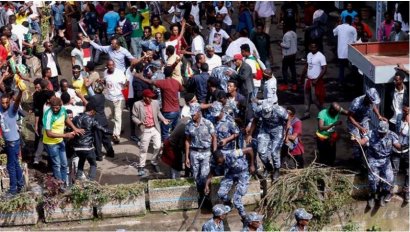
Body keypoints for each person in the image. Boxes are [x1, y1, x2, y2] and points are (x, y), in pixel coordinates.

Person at [356, 121, 402, 207]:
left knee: (389, 178)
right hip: (373, 159)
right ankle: (372, 196)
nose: (381, 134)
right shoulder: (371, 133)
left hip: (385, 160)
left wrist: (403, 146)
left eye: (383, 133)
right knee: (373, 180)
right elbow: (363, 141)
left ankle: (382, 195)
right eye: (380, 132)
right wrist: (357, 140)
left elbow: (397, 145)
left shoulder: (392, 135)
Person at [42, 97, 84, 187]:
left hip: (60, 141)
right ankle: (59, 184)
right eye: (53, 107)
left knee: (64, 164)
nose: (55, 109)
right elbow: (49, 133)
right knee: (57, 164)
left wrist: (75, 128)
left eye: (57, 107)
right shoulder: (48, 115)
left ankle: (64, 182)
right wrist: (65, 135)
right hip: (51, 143)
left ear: (60, 106)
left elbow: (66, 119)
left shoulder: (62, 110)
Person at [204, 147, 255, 220]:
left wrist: (252, 165)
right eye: (217, 163)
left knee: (237, 198)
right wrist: (206, 185)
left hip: (242, 172)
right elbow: (211, 173)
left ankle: (243, 216)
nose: (219, 164)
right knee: (221, 193)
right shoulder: (214, 161)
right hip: (230, 173)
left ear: (223, 157)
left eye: (220, 162)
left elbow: (250, 149)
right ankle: (228, 204)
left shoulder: (232, 154)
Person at [136, 66, 183, 140]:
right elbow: (182, 89)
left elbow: (151, 81)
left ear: (164, 73)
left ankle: (165, 149)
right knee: (175, 132)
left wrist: (140, 77)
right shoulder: (176, 82)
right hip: (177, 111)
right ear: (172, 73)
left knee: (165, 133)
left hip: (168, 112)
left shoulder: (163, 83)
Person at [247, 100, 289, 180]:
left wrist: (286, 134)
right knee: (261, 151)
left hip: (277, 129)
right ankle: (268, 167)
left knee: (274, 152)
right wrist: (250, 134)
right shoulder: (259, 109)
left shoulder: (280, 111)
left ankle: (277, 170)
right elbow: (255, 120)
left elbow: (288, 120)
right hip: (265, 129)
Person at [132, 89, 169, 176]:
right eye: (149, 97)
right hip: (145, 130)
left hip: (155, 128)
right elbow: (133, 117)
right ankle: (141, 166)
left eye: (151, 97)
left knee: (158, 146)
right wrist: (140, 123)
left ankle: (153, 162)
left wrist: (163, 119)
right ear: (144, 97)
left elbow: (158, 112)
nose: (151, 99)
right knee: (143, 149)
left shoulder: (155, 102)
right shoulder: (137, 104)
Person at [348, 88, 387, 168]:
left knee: (367, 141)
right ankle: (357, 163)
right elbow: (350, 117)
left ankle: (366, 159)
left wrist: (379, 116)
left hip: (364, 121)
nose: (372, 103)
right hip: (354, 123)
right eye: (371, 101)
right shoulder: (356, 103)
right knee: (357, 144)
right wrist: (360, 128)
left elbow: (374, 107)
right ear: (368, 98)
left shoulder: (370, 101)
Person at [72, 102, 112, 181]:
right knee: (93, 164)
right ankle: (90, 181)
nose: (95, 114)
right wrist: (113, 133)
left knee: (81, 160)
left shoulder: (76, 118)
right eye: (95, 112)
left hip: (76, 147)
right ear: (92, 111)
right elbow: (102, 129)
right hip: (87, 147)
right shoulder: (91, 120)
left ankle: (78, 177)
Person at [185, 103, 217, 200]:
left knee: (204, 175)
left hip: (206, 152)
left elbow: (214, 138)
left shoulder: (208, 123)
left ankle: (205, 195)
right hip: (194, 153)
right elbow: (187, 140)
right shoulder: (189, 125)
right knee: (195, 175)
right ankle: (198, 194)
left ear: (199, 112)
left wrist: (214, 153)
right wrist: (186, 157)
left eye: (193, 114)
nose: (192, 116)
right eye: (191, 114)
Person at [1, 88, 24, 197]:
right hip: (8, 141)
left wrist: (20, 92)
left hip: (13, 142)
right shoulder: (1, 108)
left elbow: (18, 101)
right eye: (3, 103)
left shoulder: (12, 109)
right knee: (15, 164)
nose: (4, 105)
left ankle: (13, 189)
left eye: (6, 102)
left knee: (11, 166)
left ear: (10, 101)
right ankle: (21, 184)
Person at [88, 82, 115, 161]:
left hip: (97, 120)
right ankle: (111, 152)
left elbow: (89, 106)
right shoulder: (102, 96)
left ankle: (99, 156)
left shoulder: (94, 98)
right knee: (106, 137)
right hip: (103, 119)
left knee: (97, 139)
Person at [102, 60, 127, 144]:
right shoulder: (105, 72)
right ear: (107, 66)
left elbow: (125, 84)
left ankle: (116, 135)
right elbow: (105, 82)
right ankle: (121, 128)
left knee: (117, 116)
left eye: (112, 65)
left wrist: (126, 96)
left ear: (114, 65)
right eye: (109, 65)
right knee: (114, 116)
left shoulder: (119, 73)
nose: (111, 66)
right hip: (109, 98)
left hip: (119, 98)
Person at [300, 43, 327, 120]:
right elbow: (307, 66)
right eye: (311, 47)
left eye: (314, 47)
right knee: (306, 97)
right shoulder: (309, 54)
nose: (313, 49)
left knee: (315, 99)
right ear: (309, 47)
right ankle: (306, 113)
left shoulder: (321, 56)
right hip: (307, 79)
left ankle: (323, 112)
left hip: (315, 81)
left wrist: (317, 79)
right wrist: (302, 77)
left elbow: (324, 69)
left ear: (317, 48)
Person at [393, 100, 409, 203]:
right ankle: (390, 191)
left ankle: (407, 191)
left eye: (407, 109)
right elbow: (395, 132)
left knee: (409, 171)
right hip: (396, 149)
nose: (405, 111)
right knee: (394, 170)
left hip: (407, 149)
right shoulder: (398, 117)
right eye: (404, 109)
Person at [333, 15, 357, 85]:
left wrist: (338, 23)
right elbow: (355, 41)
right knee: (352, 68)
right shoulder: (353, 29)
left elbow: (334, 32)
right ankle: (352, 82)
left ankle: (341, 82)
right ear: (351, 21)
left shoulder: (339, 27)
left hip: (341, 52)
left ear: (344, 20)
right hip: (350, 52)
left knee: (341, 68)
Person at [280, 23, 298, 91]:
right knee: (293, 69)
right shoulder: (294, 33)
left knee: (284, 70)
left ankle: (285, 84)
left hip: (287, 55)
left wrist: (281, 44)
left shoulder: (286, 35)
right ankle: (294, 84)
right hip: (293, 54)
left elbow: (287, 45)